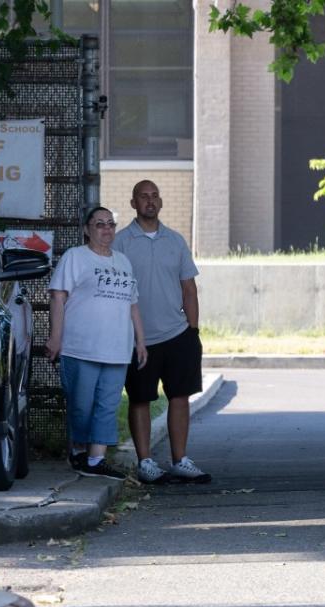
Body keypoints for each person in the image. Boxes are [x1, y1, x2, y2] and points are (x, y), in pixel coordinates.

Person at [113, 180, 210, 484]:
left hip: (178, 334)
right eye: (144, 196)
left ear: (161, 202)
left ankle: (180, 460)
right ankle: (146, 463)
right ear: (133, 203)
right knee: (140, 399)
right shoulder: (120, 243)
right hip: (138, 338)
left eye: (155, 196)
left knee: (180, 397)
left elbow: (189, 289)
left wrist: (192, 331)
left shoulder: (176, 241)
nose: (150, 201)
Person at [45, 206, 148, 480]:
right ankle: (78, 452)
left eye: (111, 224)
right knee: (81, 404)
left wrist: (141, 340)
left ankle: (96, 459)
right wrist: (55, 337)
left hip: (116, 348)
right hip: (81, 347)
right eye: (100, 224)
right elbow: (57, 296)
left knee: (107, 404)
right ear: (86, 230)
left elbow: (133, 304)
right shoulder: (75, 257)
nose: (107, 229)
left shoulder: (123, 262)